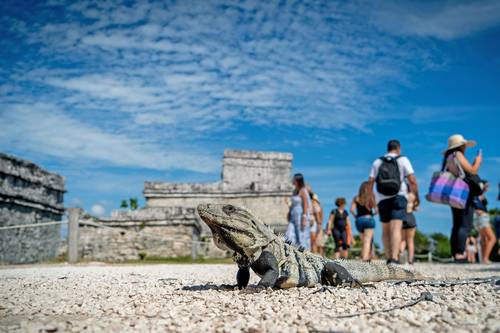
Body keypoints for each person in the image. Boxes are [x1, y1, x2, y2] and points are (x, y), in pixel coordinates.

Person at [369, 139, 419, 264]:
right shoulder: (403, 160)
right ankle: (394, 258)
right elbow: (412, 180)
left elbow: (370, 181)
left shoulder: (377, 161)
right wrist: (416, 195)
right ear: (398, 148)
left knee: (385, 229)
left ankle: (388, 257)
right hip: (399, 196)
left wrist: (371, 198)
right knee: (396, 228)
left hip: (381, 198)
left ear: (388, 148)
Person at [442, 134, 482, 262]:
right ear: (461, 145)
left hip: (453, 192)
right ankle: (460, 253)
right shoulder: (457, 155)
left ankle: (456, 253)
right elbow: (472, 171)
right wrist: (477, 161)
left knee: (457, 223)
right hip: (463, 192)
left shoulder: (448, 157)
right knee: (465, 224)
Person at [350, 181, 377, 261]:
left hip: (359, 220)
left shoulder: (356, 198)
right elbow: (377, 210)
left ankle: (365, 256)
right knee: (367, 241)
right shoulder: (371, 197)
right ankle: (365, 259)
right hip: (369, 219)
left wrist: (356, 217)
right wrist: (372, 215)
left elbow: (351, 210)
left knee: (364, 241)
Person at [286, 173, 311, 250]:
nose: (292, 180)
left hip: (300, 215)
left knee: (301, 235)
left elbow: (306, 204)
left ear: (297, 181)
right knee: (289, 232)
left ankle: (304, 253)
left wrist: (304, 217)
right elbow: (293, 204)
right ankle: (290, 249)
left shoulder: (303, 190)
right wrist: (289, 212)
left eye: (294, 179)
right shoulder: (295, 191)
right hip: (293, 215)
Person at [473, 181, 496, 264]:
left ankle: (483, 259)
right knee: (492, 238)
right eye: (486, 185)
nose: (488, 187)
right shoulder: (477, 194)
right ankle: (485, 258)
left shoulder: (479, 195)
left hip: (480, 217)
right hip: (482, 217)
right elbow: (475, 203)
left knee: (484, 239)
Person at [400, 191, 417, 264]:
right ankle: (410, 260)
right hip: (411, 217)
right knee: (410, 240)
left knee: (402, 240)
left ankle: (401, 256)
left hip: (403, 217)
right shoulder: (413, 196)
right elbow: (416, 208)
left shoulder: (404, 196)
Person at [307, 188, 325, 255]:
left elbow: (317, 214)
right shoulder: (313, 203)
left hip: (312, 221)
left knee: (313, 239)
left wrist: (319, 223)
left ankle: (313, 253)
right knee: (312, 239)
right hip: (311, 221)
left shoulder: (313, 203)